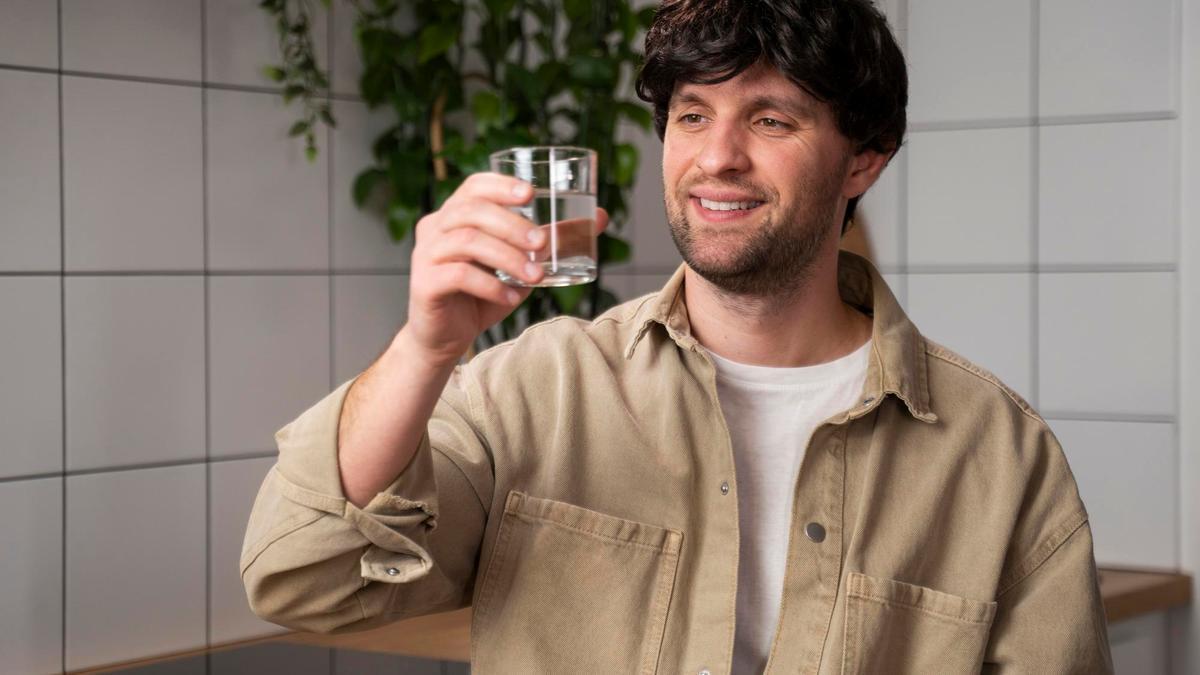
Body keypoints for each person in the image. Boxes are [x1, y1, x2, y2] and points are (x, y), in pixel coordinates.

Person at [241, 0, 1114, 672]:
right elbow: (303, 576)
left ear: (864, 158)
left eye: (771, 119)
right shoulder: (534, 392)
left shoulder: (1000, 455)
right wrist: (424, 348)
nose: (718, 156)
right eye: (693, 115)